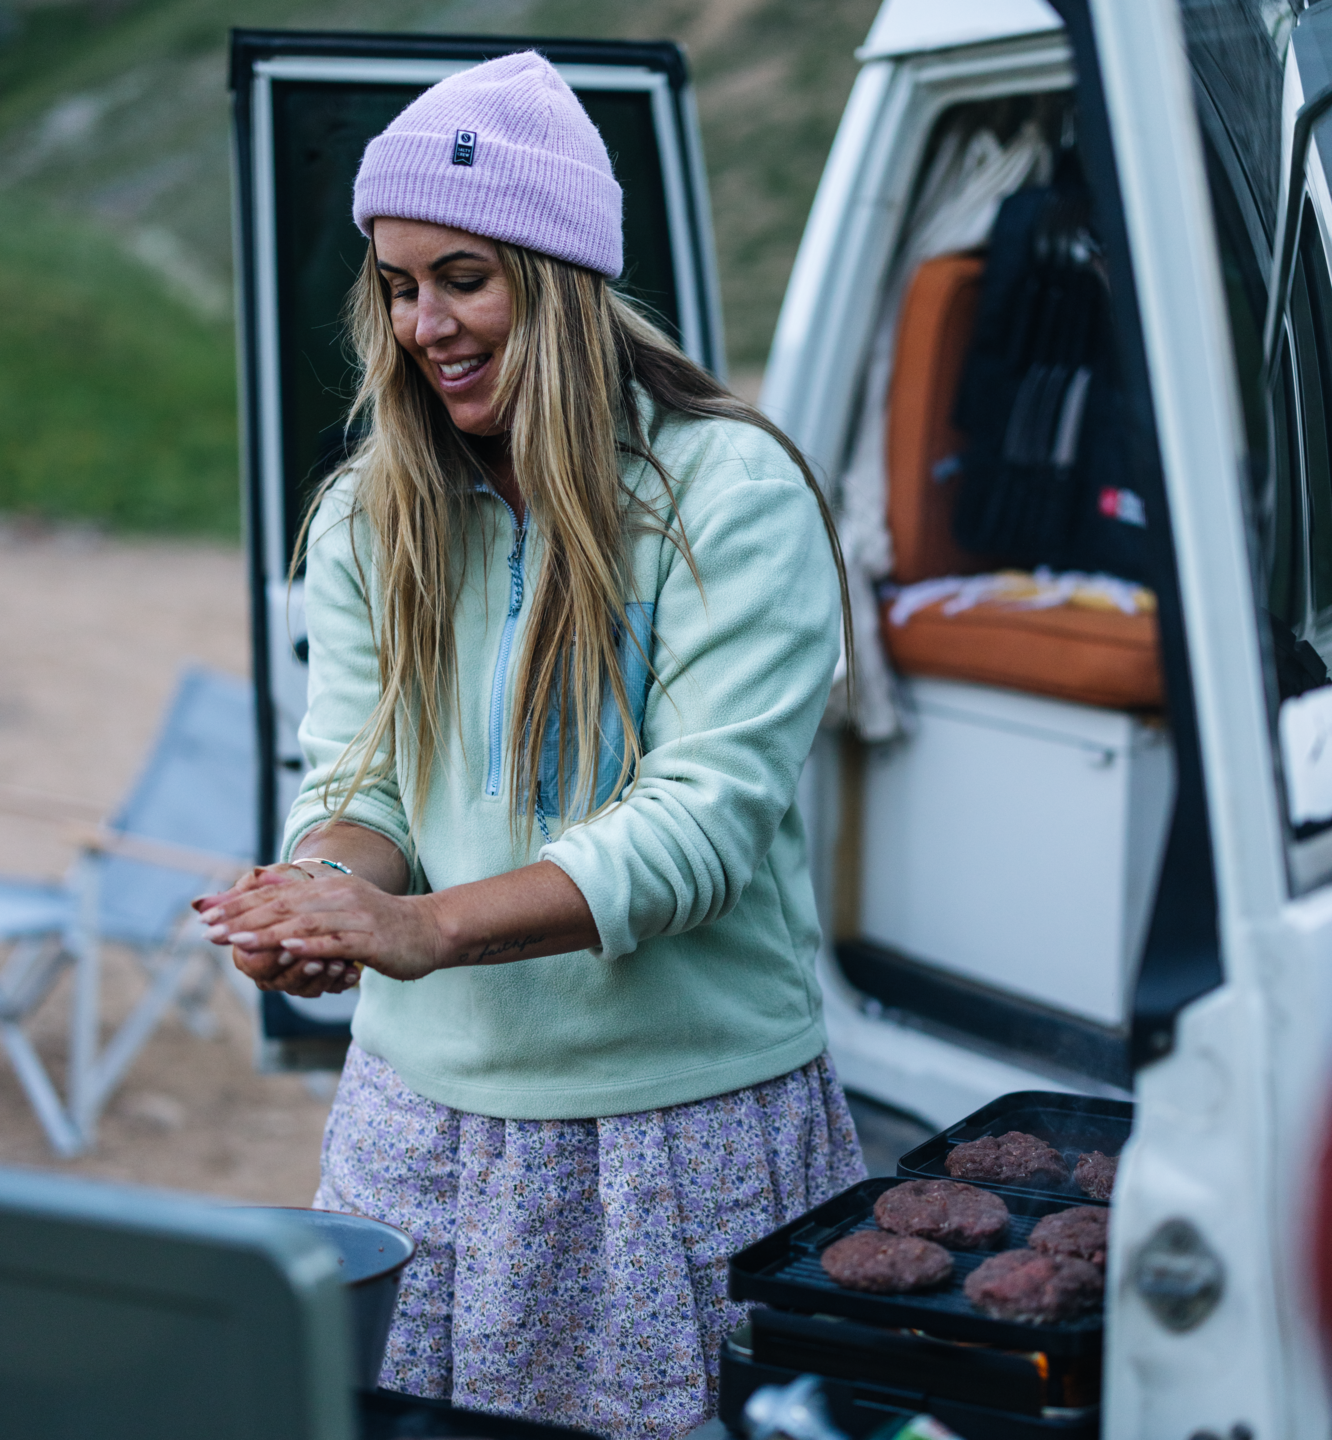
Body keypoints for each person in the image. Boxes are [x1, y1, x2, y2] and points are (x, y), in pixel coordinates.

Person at [197, 51, 865, 1440]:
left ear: (558, 279)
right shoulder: (374, 510)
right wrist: (327, 894)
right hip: (415, 1132)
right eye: (396, 283)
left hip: (679, 1137)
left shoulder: (727, 495)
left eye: (464, 277)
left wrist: (424, 929)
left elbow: (700, 829)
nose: (422, 322)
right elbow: (359, 779)